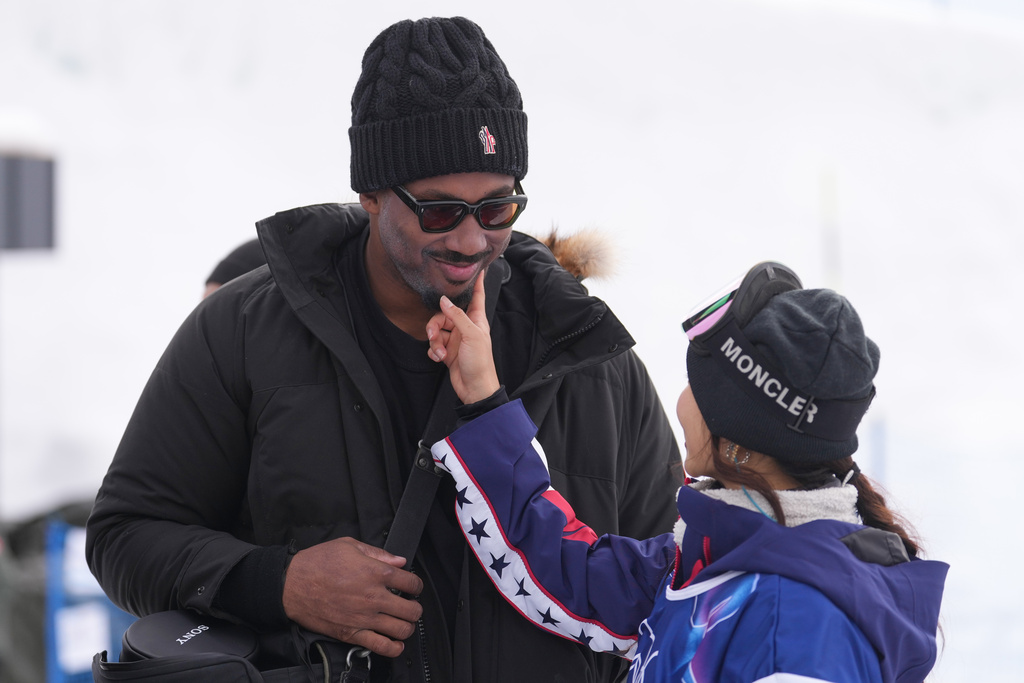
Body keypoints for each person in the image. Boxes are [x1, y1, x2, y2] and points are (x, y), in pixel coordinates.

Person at [86, 16, 682, 683]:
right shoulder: (244, 332)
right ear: (370, 194)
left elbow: (676, 598)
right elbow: (125, 536)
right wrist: (278, 581)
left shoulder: (587, 355)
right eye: (437, 210)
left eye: (497, 209)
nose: (469, 239)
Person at [425, 262, 948, 683]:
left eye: (695, 387)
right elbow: (571, 569)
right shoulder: (714, 557)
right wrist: (486, 401)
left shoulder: (797, 626)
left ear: (739, 440)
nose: (679, 402)